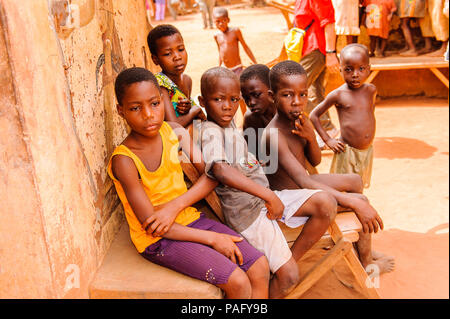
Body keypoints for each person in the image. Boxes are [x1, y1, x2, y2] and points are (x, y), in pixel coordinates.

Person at [108, 67, 270, 299]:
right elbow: (152, 225)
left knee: (260, 266)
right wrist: (213, 238)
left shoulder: (174, 131)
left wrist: (175, 206)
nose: (148, 114)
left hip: (189, 218)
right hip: (158, 239)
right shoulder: (125, 160)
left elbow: (211, 174)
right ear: (120, 111)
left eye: (155, 104)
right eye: (135, 108)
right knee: (238, 282)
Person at [197, 66, 338, 298]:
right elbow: (220, 170)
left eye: (233, 100)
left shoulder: (228, 123)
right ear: (203, 101)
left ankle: (286, 263)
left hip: (263, 199)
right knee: (291, 277)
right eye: (218, 99)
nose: (227, 106)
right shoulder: (211, 131)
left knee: (326, 203)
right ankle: (284, 272)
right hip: (249, 212)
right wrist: (268, 195)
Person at [263, 60, 395, 275]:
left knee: (355, 181)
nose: (297, 102)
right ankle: (366, 262)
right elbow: (304, 180)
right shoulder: (273, 134)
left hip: (300, 186)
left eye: (303, 94)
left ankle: (358, 245)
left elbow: (314, 161)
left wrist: (310, 138)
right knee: (360, 201)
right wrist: (354, 202)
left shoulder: (298, 122)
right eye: (287, 95)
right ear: (272, 96)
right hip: (288, 197)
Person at [311, 44, 376, 188]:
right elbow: (314, 115)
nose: (355, 74)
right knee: (342, 186)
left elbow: (370, 113)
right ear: (340, 70)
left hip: (366, 150)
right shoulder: (338, 95)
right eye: (348, 69)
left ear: (368, 69)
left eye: (361, 69)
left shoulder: (371, 90)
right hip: (346, 151)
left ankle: (354, 205)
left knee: (358, 184)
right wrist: (328, 140)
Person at [293, 0, 340, 149]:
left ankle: (326, 128)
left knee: (295, 90)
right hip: (307, 49)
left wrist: (331, 53)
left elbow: (329, 22)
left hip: (315, 49)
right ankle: (326, 131)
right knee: (314, 93)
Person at [147, 24, 206, 133]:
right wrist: (195, 110)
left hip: (193, 137)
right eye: (168, 53)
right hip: (175, 144)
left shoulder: (187, 80)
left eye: (180, 49)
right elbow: (174, 125)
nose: (177, 57)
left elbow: (185, 115)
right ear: (155, 59)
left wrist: (187, 108)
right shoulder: (160, 85)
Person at [240, 64, 277, 158]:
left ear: (271, 89)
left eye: (256, 95)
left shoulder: (288, 111)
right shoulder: (251, 119)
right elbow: (253, 156)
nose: (251, 103)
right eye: (246, 98)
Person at [213, 7, 257, 77]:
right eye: (218, 21)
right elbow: (220, 52)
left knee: (238, 86)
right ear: (214, 22)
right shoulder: (216, 36)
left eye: (224, 20)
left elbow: (245, 47)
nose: (221, 24)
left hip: (237, 68)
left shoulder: (235, 31)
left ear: (228, 20)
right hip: (225, 69)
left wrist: (255, 63)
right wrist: (219, 67)